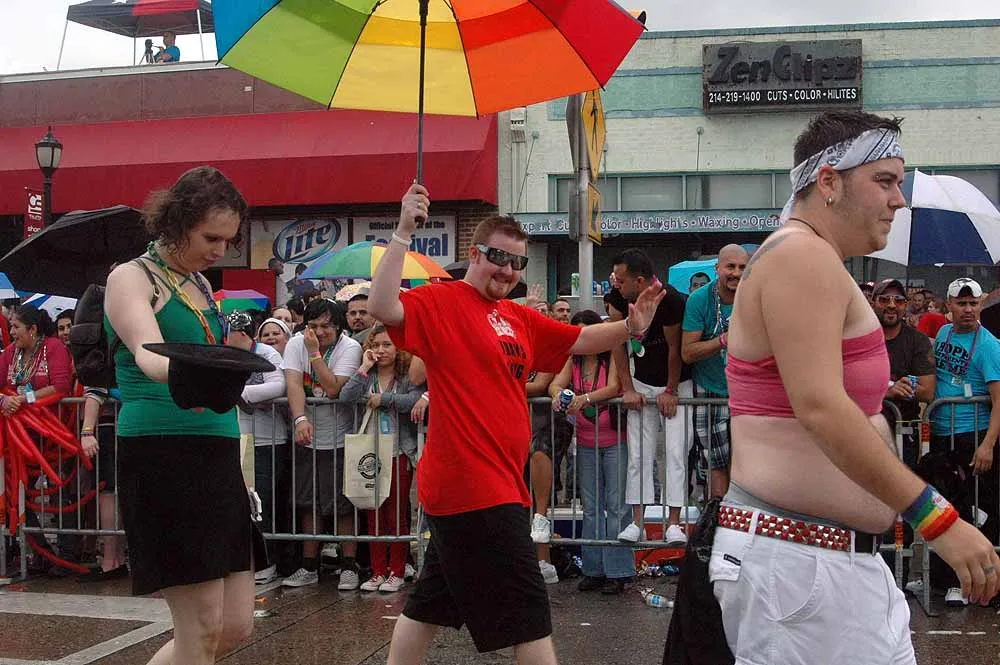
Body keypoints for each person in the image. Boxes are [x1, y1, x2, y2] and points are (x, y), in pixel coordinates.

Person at [702, 111, 998, 664]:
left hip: (820, 561)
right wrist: (935, 517)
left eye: (898, 183)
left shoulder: (812, 259)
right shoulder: (800, 256)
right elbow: (820, 407)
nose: (899, 200)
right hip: (800, 563)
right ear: (829, 182)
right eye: (884, 181)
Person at [368, 184, 664, 664]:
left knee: (430, 603)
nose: (507, 270)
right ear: (475, 254)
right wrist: (403, 229)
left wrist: (632, 328)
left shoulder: (516, 316)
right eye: (498, 257)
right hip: (472, 485)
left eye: (517, 262)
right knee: (529, 611)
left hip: (497, 481)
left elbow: (580, 338)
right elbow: (383, 307)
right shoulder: (441, 301)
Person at [103, 166, 259, 665]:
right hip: (164, 452)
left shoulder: (198, 283)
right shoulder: (131, 277)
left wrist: (234, 359)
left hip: (217, 450)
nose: (220, 250)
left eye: (228, 240)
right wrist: (202, 376)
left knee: (234, 625)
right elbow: (148, 355)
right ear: (177, 222)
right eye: (211, 237)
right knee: (202, 628)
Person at [607, 250, 690, 545]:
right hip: (641, 380)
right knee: (638, 453)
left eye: (621, 280)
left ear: (639, 281)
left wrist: (671, 390)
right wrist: (627, 388)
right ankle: (637, 522)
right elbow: (617, 345)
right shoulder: (617, 298)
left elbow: (674, 349)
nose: (616, 284)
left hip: (677, 381)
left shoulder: (671, 300)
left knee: (676, 451)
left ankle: (674, 523)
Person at [549, 309, 633, 595]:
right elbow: (555, 384)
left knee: (617, 506)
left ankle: (618, 571)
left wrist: (582, 398)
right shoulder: (572, 359)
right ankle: (593, 569)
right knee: (591, 507)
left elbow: (614, 387)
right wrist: (559, 395)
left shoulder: (612, 356)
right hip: (585, 440)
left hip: (615, 439)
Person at [282, 298, 362, 589]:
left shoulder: (350, 347)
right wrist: (300, 419)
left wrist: (314, 353)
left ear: (338, 326)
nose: (318, 332)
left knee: (343, 505)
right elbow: (293, 383)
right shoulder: (295, 343)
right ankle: (308, 566)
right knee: (308, 502)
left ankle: (349, 566)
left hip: (340, 437)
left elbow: (333, 388)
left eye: (326, 326)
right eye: (312, 325)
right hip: (308, 437)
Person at [929, 277, 1000, 606]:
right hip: (943, 435)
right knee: (946, 509)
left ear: (981, 305)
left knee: (976, 511)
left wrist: (988, 445)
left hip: (973, 437)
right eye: (962, 303)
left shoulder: (989, 345)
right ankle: (942, 578)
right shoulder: (943, 334)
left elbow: (998, 400)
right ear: (949, 306)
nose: (968, 310)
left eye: (973, 303)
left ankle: (972, 582)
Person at [341, 325, 423, 593]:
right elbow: (346, 396)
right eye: (375, 345)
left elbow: (414, 400)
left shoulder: (406, 376)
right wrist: (364, 367)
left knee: (396, 514)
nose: (381, 350)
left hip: (398, 451)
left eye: (387, 345)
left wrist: (385, 399)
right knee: (373, 512)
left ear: (398, 348)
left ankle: (397, 570)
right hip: (370, 453)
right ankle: (377, 571)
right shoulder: (368, 376)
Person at [681, 245, 748, 499]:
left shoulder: (755, 296)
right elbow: (687, 352)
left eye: (742, 267)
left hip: (747, 392)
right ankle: (718, 515)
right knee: (716, 462)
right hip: (710, 389)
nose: (736, 273)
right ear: (717, 268)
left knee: (746, 463)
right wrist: (722, 341)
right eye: (730, 266)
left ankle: (740, 516)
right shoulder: (700, 300)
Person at [226, 311, 286, 586]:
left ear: (242, 334)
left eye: (229, 333)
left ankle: (268, 560)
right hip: (237, 437)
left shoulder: (266, 353)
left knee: (264, 503)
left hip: (267, 440)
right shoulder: (226, 354)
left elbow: (278, 385)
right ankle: (246, 559)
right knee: (240, 502)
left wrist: (240, 395)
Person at [875, 279, 935, 468]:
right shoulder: (860, 337)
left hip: (903, 430)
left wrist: (879, 390)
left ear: (905, 305)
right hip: (864, 429)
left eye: (899, 300)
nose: (892, 305)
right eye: (884, 299)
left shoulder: (917, 340)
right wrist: (889, 390)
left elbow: (927, 391)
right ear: (873, 303)